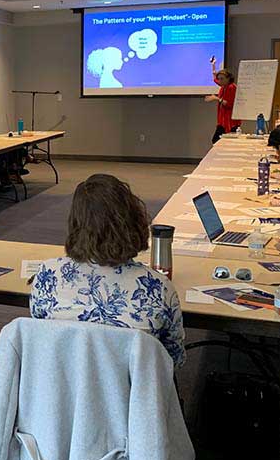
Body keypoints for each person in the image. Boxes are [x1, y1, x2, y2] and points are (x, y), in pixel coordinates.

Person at [29, 174, 185, 366]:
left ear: (75, 224)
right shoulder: (158, 288)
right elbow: (173, 359)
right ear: (134, 220)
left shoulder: (47, 275)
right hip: (131, 393)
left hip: (62, 389)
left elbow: (43, 341)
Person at [204, 57, 240, 143]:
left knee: (218, 140)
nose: (219, 81)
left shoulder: (231, 87)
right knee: (217, 140)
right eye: (219, 78)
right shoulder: (224, 86)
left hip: (229, 121)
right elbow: (215, 79)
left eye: (222, 79)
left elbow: (229, 104)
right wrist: (213, 65)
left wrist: (216, 98)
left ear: (228, 78)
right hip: (223, 120)